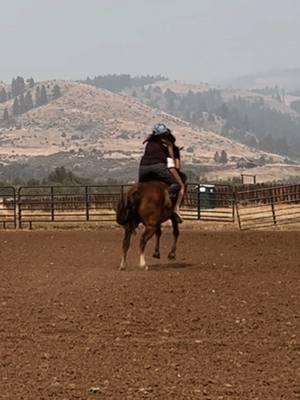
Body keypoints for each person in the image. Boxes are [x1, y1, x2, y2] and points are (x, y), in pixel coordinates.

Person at [139, 123, 185, 222]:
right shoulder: (170, 147)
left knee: (140, 187)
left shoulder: (149, 143)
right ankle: (174, 208)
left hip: (143, 167)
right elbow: (175, 164)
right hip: (160, 167)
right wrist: (170, 148)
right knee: (178, 185)